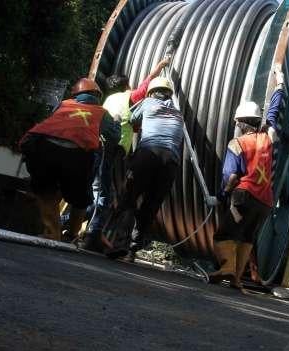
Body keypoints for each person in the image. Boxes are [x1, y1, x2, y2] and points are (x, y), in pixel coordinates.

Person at [83, 57, 171, 252]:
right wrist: (160, 66)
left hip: (97, 144)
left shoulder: (108, 100)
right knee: (106, 192)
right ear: (126, 86)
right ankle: (94, 233)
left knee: (96, 186)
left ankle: (81, 225)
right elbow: (146, 85)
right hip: (113, 148)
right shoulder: (128, 97)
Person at [209, 69, 285, 290]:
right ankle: (236, 277)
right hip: (265, 201)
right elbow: (273, 114)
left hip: (243, 196)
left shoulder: (238, 143)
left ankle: (227, 269)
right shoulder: (269, 138)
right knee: (247, 237)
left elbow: (231, 176)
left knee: (224, 233)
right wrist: (279, 85)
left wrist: (223, 195)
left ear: (241, 123)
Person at [19, 78, 119, 241]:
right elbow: (113, 137)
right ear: (97, 96)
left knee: (46, 192)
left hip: (45, 149)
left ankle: (52, 233)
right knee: (80, 197)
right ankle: (72, 234)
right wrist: (116, 123)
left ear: (75, 95)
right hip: (78, 156)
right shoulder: (102, 113)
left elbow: (53, 124)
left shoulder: (64, 104)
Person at [106, 76, 184, 259]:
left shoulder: (148, 102)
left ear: (151, 92)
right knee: (151, 204)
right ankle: (134, 248)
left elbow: (131, 119)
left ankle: (119, 244)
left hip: (148, 153)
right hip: (171, 161)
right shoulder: (178, 113)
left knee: (129, 197)